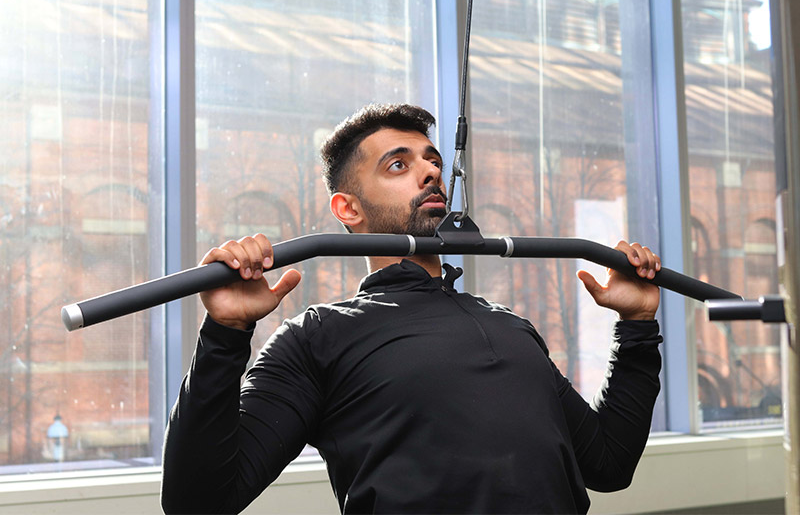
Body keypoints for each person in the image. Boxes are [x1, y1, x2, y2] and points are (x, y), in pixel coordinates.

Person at [160, 104, 663, 514]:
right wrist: (225, 333)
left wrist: (637, 328)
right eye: (398, 165)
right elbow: (197, 503)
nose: (431, 172)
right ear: (348, 208)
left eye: (433, 161)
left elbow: (609, 464)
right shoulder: (318, 337)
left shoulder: (510, 327)